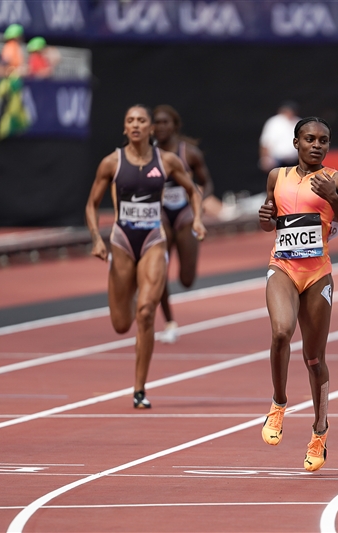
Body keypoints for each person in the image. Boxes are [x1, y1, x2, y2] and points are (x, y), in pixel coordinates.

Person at [257, 117, 338, 471]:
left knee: (315, 359)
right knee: (280, 332)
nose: (317, 145)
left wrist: (334, 199)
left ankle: (319, 431)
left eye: (324, 140)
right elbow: (269, 219)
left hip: (318, 274)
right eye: (310, 139)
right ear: (296, 143)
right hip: (283, 268)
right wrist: (264, 217)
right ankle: (278, 403)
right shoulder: (278, 177)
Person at [85, 105, 206, 409]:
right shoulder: (112, 162)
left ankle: (139, 389)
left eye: (141, 120)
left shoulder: (167, 161)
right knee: (121, 324)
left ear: (150, 128)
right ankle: (131, 286)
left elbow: (193, 190)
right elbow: (91, 204)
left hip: (153, 238)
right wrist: (96, 239)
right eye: (130, 121)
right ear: (125, 128)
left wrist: (197, 219)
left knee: (146, 314)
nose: (136, 125)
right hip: (123, 240)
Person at [152, 104, 215, 343]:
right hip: (160, 217)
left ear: (174, 126)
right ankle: (169, 322)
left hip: (185, 215)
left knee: (186, 280)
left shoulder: (188, 153)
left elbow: (207, 183)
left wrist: (199, 201)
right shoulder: (148, 154)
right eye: (156, 122)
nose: (159, 127)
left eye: (164, 122)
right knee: (158, 271)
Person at [259, 101, 300, 172]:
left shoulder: (298, 122)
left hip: (294, 161)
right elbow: (266, 142)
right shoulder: (274, 122)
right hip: (277, 160)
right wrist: (265, 158)